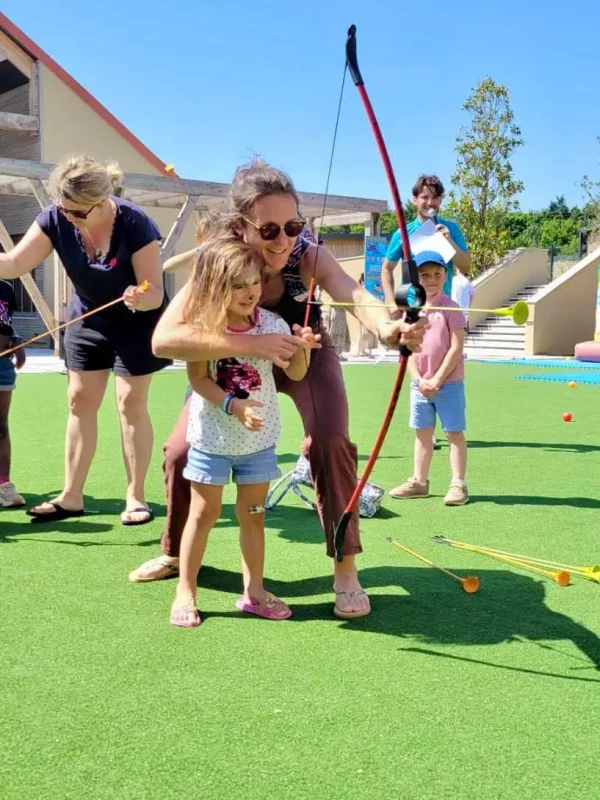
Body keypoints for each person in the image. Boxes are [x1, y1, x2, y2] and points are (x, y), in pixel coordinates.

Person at [129, 158, 426, 620]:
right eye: (269, 230)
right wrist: (250, 344)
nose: (284, 240)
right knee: (181, 452)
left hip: (301, 349)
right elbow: (164, 339)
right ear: (241, 226)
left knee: (329, 441)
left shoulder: (307, 253)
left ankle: (345, 568)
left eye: (293, 226)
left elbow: (351, 291)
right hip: (235, 358)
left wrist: (387, 329)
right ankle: (174, 552)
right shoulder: (219, 260)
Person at [0, 153, 171, 524]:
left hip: (136, 321)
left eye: (78, 212)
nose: (69, 218)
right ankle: (71, 496)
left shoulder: (135, 223)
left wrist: (140, 297)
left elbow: (155, 292)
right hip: (88, 319)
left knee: (130, 403)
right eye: (64, 209)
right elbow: (13, 264)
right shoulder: (55, 218)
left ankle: (136, 497)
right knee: (79, 401)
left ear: (102, 200)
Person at [170, 230, 320, 627]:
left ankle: (254, 592)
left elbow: (296, 372)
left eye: (254, 281)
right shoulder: (203, 329)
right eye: (237, 285)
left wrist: (301, 348)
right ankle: (186, 589)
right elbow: (199, 380)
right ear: (215, 287)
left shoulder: (272, 322)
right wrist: (233, 406)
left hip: (258, 443)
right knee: (203, 514)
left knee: (253, 516)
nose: (250, 291)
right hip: (212, 441)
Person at [388, 251, 469, 506]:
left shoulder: (451, 308)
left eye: (436, 274)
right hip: (420, 385)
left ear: (445, 275)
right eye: (425, 275)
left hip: (449, 383)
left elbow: (456, 348)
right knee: (423, 433)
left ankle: (458, 484)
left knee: (453, 432)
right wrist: (419, 379)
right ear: (417, 279)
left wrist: (437, 379)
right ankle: (419, 482)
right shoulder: (412, 311)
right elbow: (407, 349)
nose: (431, 279)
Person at [380, 174, 471, 308]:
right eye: (424, 197)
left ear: (440, 200)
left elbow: (466, 267)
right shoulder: (402, 233)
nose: (430, 203)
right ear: (415, 200)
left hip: (442, 307)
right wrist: (390, 301)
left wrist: (449, 241)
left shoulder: (452, 229)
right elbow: (387, 269)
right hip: (411, 308)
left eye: (435, 197)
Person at [0, 280, 27, 507]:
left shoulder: (6, 288)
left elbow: (6, 321)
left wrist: (16, 338)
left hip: (2, 366)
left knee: (0, 427)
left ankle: (3, 485)